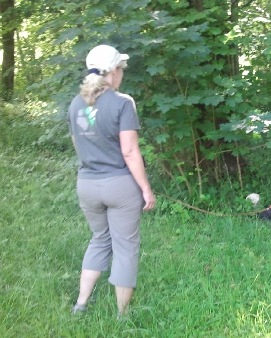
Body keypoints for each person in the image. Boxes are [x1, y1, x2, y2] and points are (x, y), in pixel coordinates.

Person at [67, 44, 156, 316]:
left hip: (87, 185)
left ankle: (81, 303)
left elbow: (77, 143)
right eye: (122, 69)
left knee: (99, 239)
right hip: (119, 186)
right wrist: (146, 189)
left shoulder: (75, 104)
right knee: (126, 246)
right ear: (114, 72)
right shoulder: (122, 102)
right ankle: (122, 314)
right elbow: (129, 151)